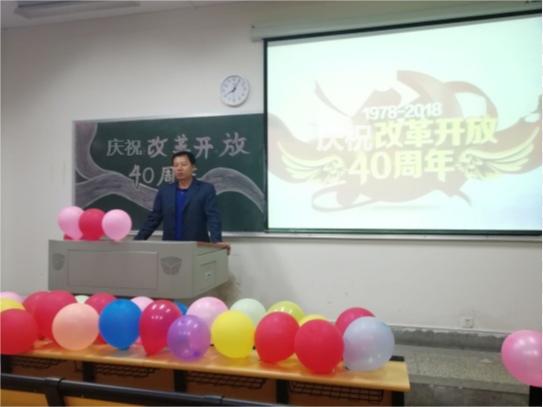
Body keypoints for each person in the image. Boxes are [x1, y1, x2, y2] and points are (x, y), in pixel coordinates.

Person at [134, 151, 230, 253]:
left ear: (193, 167)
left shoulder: (206, 189)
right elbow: (154, 218)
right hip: (169, 247)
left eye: (184, 164)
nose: (179, 168)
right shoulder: (165, 191)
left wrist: (217, 240)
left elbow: (213, 217)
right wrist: (138, 240)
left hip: (197, 247)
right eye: (176, 165)